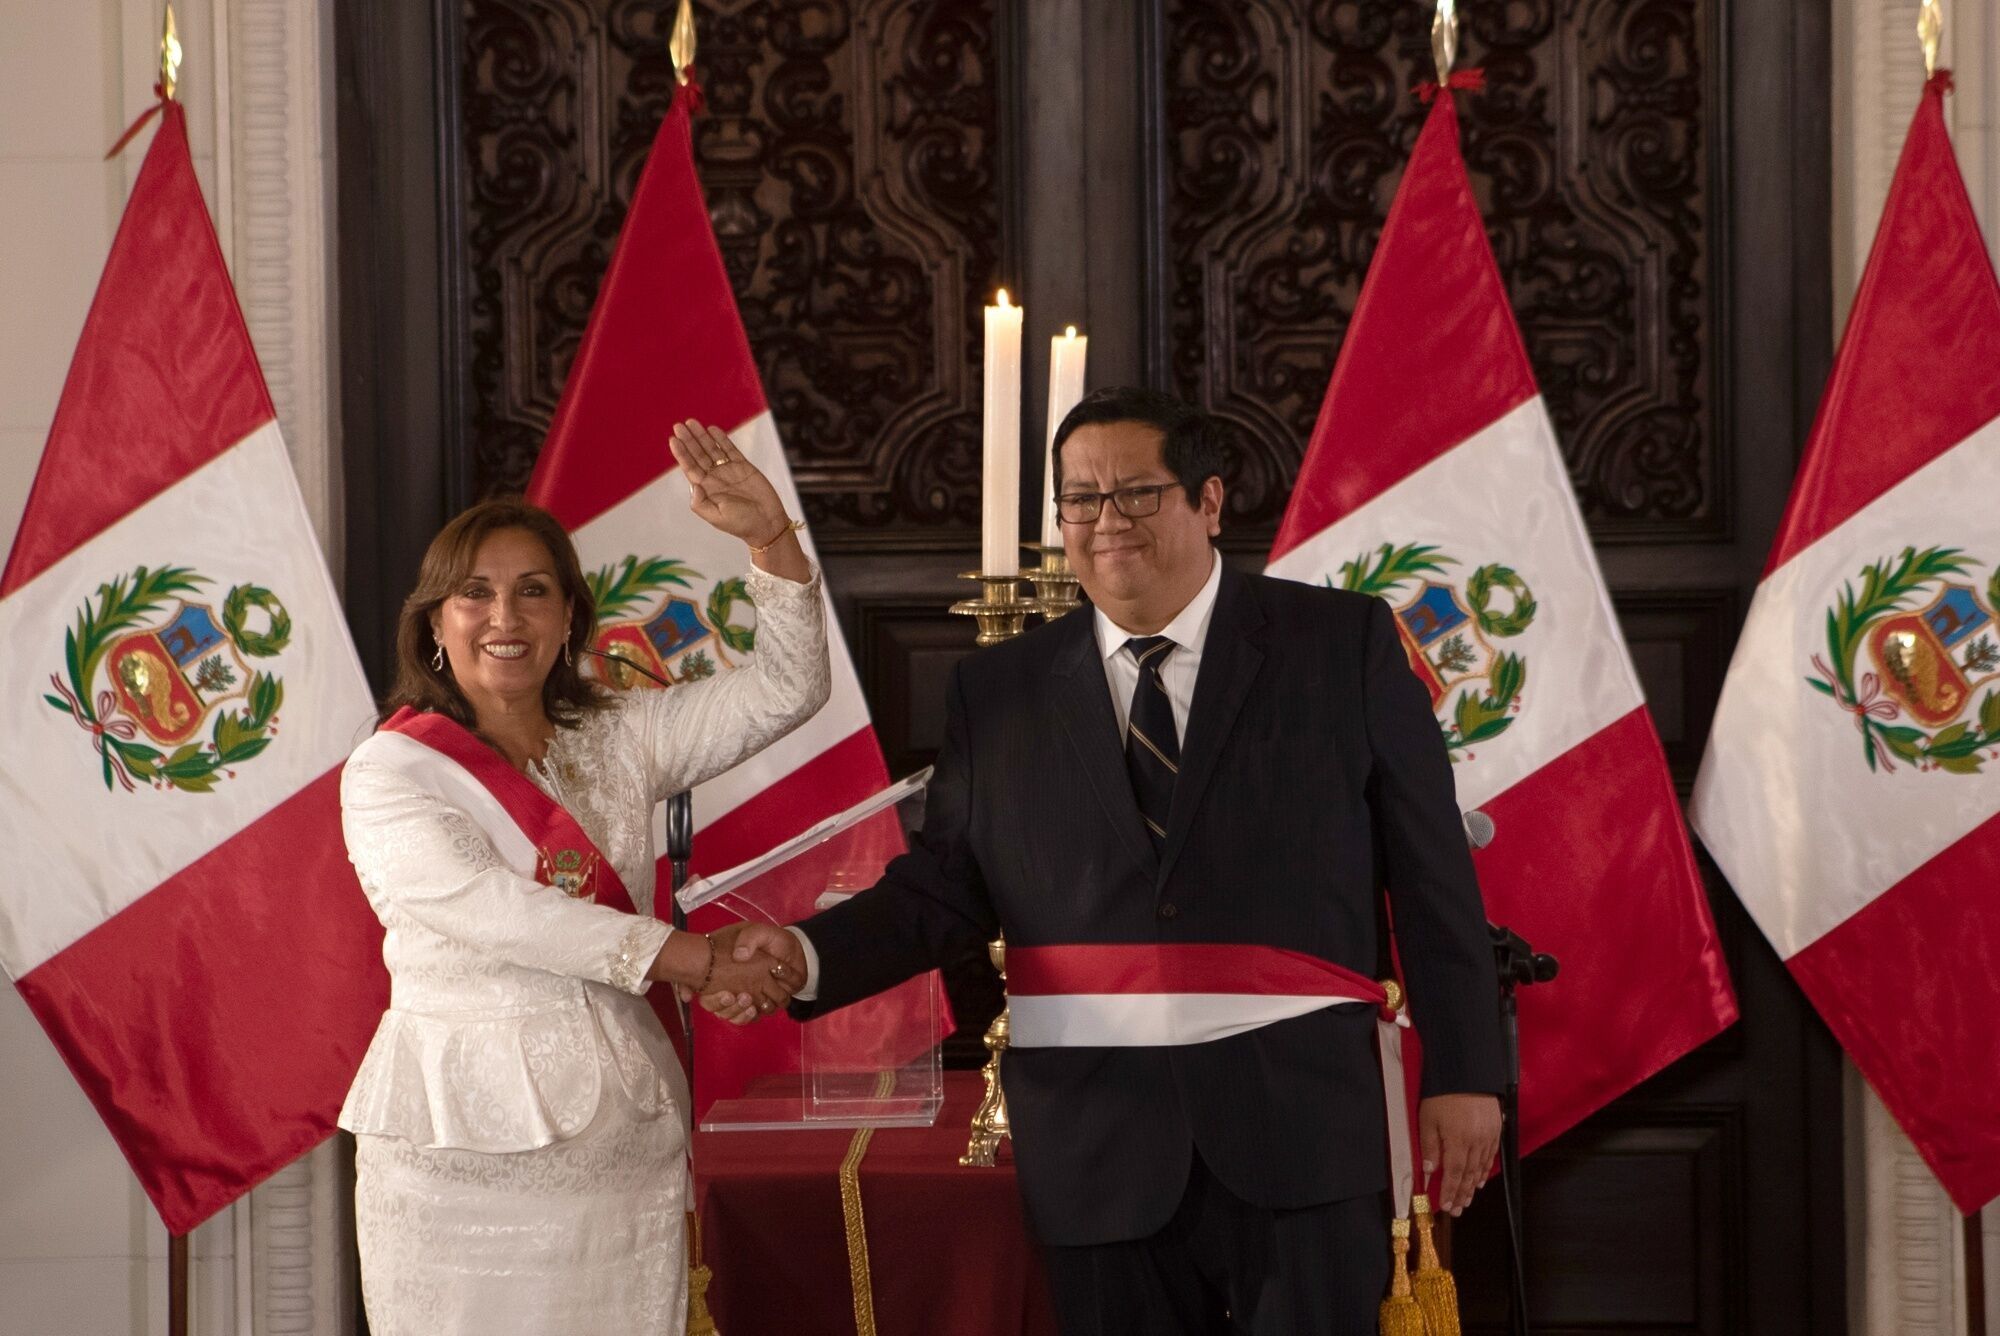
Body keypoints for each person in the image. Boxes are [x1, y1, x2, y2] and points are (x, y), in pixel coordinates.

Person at [711, 387, 1506, 1335]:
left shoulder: (1341, 644)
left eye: (1135, 493)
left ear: (1209, 502)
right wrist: (802, 955)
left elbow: (1430, 874)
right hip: (1098, 1145)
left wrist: (1465, 1072)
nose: (1104, 522)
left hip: (1300, 1128)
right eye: (1080, 501)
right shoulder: (999, 688)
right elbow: (946, 890)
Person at [337, 421, 815, 1336]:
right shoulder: (391, 771)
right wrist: (698, 962)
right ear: (436, 620)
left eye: (532, 593)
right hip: (456, 1152)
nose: (504, 619)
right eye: (474, 594)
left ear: (568, 619)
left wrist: (771, 541)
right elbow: (499, 913)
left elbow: (786, 690)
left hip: (620, 1143)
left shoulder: (620, 737)